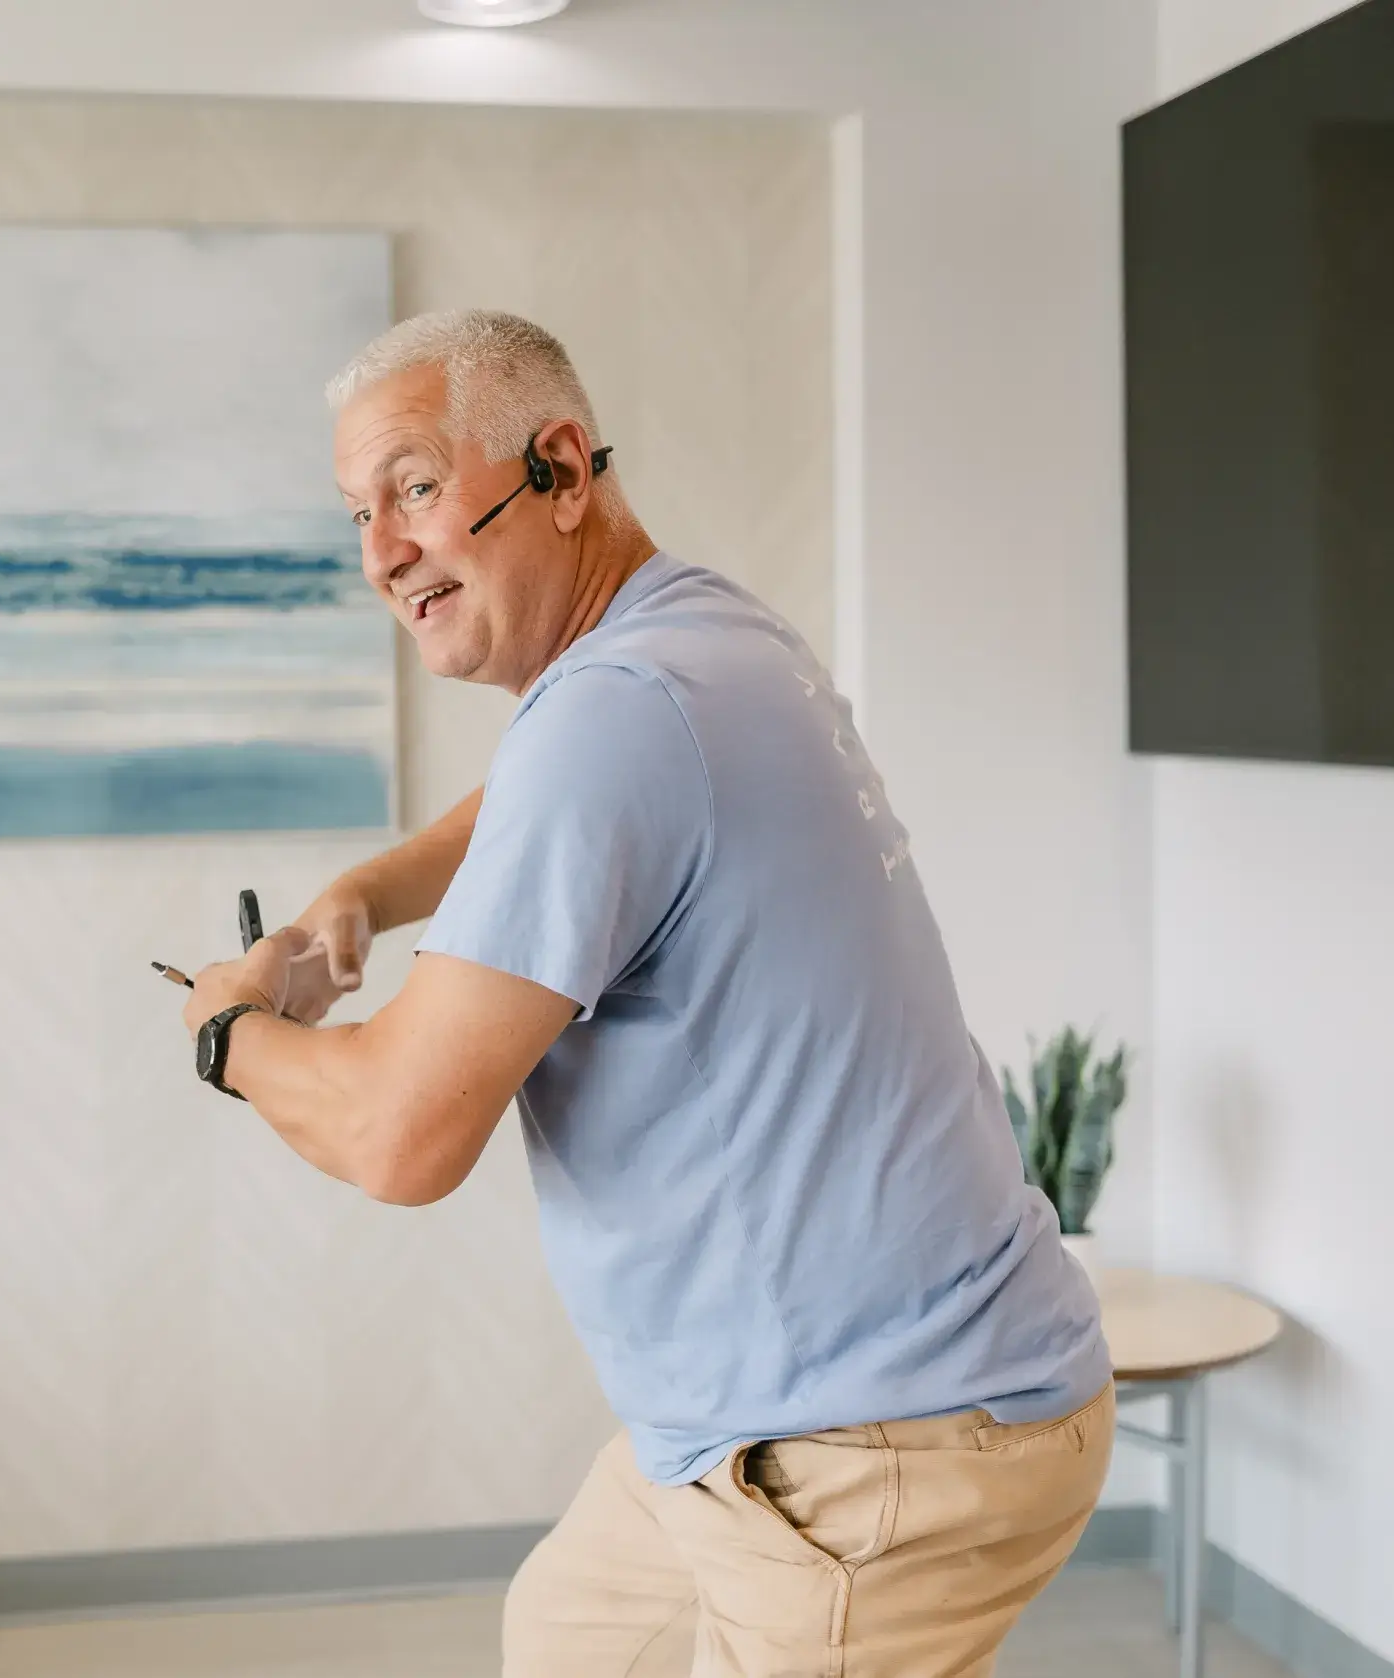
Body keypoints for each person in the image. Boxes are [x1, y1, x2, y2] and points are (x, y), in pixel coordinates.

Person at [178, 309, 1113, 1678]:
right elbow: (533, 793)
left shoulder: (616, 714)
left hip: (871, 1447)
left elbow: (397, 1133)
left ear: (557, 466)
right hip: (802, 1398)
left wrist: (228, 1030)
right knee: (567, 1633)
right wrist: (369, 893)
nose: (381, 552)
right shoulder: (695, 633)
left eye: (415, 487)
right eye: (358, 514)